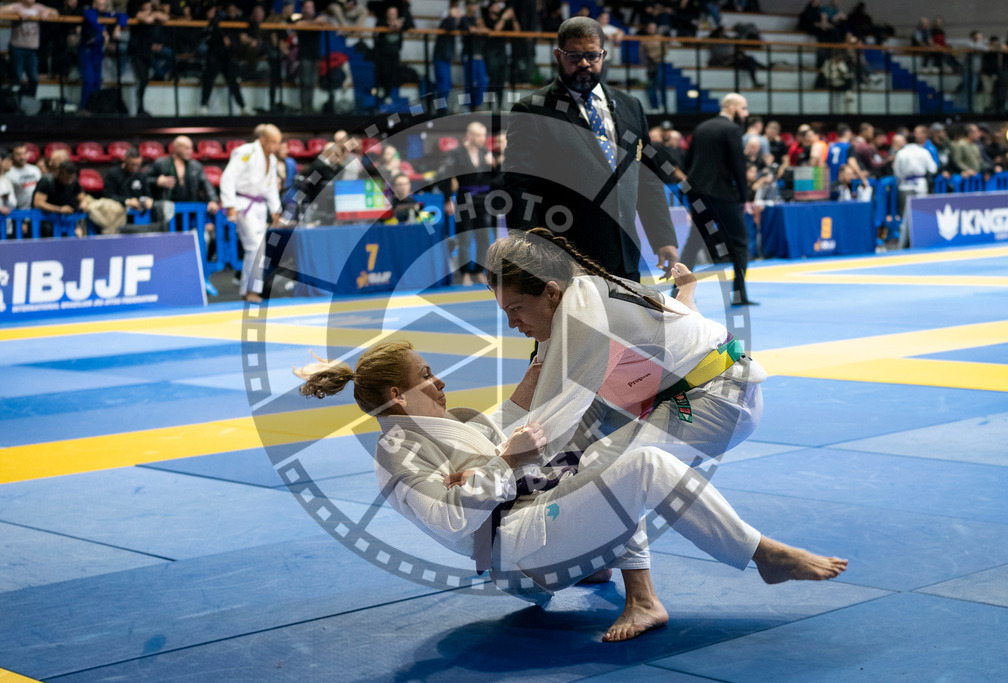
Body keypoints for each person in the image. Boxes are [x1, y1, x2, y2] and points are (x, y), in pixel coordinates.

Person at [293, 338, 847, 640]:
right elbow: (457, 519)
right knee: (644, 465)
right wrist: (504, 467)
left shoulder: (450, 421)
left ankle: (604, 572)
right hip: (513, 548)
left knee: (598, 449)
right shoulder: (397, 455)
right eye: (427, 376)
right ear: (397, 394)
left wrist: (542, 360)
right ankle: (762, 554)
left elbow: (505, 425)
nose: (440, 381)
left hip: (531, 520)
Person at [487, 226, 767, 472]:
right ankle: (686, 304)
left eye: (516, 309)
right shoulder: (574, 298)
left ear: (550, 292)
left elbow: (544, 429)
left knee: (601, 468)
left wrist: (489, 469)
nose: (512, 323)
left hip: (722, 398)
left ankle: (750, 537)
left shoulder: (583, 318)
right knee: (579, 453)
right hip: (687, 379)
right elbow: (534, 398)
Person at [502, 16, 678, 284]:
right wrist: (529, 256)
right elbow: (518, 188)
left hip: (625, 258)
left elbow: (646, 178)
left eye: (592, 56)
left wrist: (663, 238)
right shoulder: (533, 110)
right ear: (558, 55)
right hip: (566, 262)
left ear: (604, 55)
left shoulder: (631, 106)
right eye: (574, 56)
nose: (584, 63)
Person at [679, 93, 756, 307]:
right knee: (740, 241)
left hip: (697, 192)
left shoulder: (702, 127)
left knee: (694, 241)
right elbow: (738, 167)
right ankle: (739, 294)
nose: (746, 114)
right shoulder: (732, 129)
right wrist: (744, 197)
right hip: (721, 193)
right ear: (732, 108)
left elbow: (687, 161)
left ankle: (677, 290)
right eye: (744, 109)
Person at [219, 124, 283, 302]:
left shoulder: (272, 159)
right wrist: (230, 204)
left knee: (259, 248)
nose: (277, 146)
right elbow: (228, 177)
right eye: (273, 142)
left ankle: (249, 289)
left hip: (259, 207)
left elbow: (270, 188)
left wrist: (276, 210)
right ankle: (250, 291)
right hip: (243, 204)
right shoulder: (245, 152)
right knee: (254, 246)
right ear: (262, 140)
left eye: (279, 142)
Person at [441, 121, 495, 286]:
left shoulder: (485, 152)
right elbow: (446, 176)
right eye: (478, 135)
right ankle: (464, 274)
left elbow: (495, 177)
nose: (482, 139)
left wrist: (493, 164)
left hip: (483, 199)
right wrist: (448, 199)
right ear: (469, 135)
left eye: (484, 135)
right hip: (465, 198)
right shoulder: (456, 153)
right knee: (464, 237)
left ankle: (479, 271)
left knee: (484, 237)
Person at [0, 0, 59, 99]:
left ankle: (30, 101)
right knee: (18, 78)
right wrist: (16, 13)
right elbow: (0, 11)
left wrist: (47, 12)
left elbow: (55, 12)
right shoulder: (17, 6)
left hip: (32, 49)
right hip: (18, 47)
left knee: (34, 78)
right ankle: (16, 103)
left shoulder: (38, 7)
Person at [148, 136, 221, 217]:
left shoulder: (195, 166)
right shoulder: (161, 163)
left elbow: (206, 184)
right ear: (176, 148)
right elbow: (145, 181)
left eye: (191, 148)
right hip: (167, 211)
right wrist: (157, 181)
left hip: (190, 211)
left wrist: (213, 200)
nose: (190, 151)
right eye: (186, 148)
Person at [198, 4, 248, 116]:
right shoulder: (220, 19)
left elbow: (250, 23)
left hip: (228, 57)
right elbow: (214, 21)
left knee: (233, 82)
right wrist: (223, 36)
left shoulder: (238, 21)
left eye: (234, 10)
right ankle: (203, 105)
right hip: (216, 56)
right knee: (209, 80)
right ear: (226, 11)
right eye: (230, 10)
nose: (232, 12)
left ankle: (243, 106)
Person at [892, 131, 937, 248]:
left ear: (906, 141)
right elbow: (933, 168)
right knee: (921, 211)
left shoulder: (901, 153)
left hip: (906, 184)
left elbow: (897, 171)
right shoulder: (924, 152)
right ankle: (922, 238)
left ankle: (905, 242)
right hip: (921, 184)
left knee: (905, 214)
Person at [129, 1, 171, 116]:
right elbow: (146, 20)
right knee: (142, 79)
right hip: (136, 51)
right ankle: (139, 108)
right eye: (145, 3)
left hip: (147, 51)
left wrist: (154, 14)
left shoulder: (152, 13)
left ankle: (141, 108)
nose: (147, 5)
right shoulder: (135, 11)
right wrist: (153, 15)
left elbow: (166, 17)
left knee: (145, 80)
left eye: (149, 3)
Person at [103, 147, 154, 232]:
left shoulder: (141, 175)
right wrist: (127, 201)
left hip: (139, 219)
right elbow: (108, 195)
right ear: (125, 160)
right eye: (132, 164)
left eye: (138, 164)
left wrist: (147, 200)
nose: (135, 167)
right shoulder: (113, 174)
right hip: (118, 218)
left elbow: (147, 194)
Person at [33, 161, 87, 237]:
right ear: (59, 173)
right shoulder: (47, 181)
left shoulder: (73, 181)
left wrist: (83, 203)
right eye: (66, 178)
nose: (69, 181)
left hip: (68, 220)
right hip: (47, 219)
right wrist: (60, 209)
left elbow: (81, 196)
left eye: (71, 178)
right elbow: (38, 203)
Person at [295, 0, 326, 114]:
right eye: (307, 7)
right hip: (305, 56)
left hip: (315, 55)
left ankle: (310, 107)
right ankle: (304, 108)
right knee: (305, 83)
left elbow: (324, 21)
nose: (310, 9)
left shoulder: (318, 19)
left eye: (311, 7)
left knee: (312, 83)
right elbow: (298, 25)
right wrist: (314, 23)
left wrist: (315, 22)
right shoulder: (299, 20)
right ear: (303, 9)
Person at [460, 0, 489, 111]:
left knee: (482, 81)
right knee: (470, 82)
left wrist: (480, 27)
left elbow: (486, 31)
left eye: (476, 4)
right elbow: (470, 29)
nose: (475, 6)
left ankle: (478, 105)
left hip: (479, 54)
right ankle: (467, 107)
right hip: (469, 54)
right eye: (472, 4)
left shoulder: (478, 20)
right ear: (467, 6)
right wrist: (480, 29)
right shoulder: (464, 19)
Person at [433, 1, 461, 104]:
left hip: (447, 57)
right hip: (440, 56)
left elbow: (462, 26)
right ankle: (441, 109)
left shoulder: (451, 23)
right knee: (443, 85)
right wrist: (452, 16)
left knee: (447, 84)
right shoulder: (445, 23)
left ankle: (442, 107)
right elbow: (452, 26)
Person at [4, 143, 42, 210]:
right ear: (13, 156)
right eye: (19, 154)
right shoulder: (8, 173)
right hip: (20, 212)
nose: (22, 157)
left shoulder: (35, 170)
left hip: (36, 211)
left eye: (24, 153)